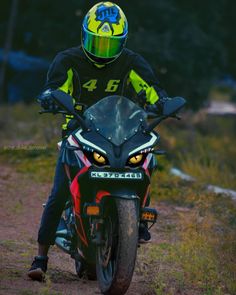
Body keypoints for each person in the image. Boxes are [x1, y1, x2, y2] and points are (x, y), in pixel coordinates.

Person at [28, 1, 168, 281]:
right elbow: (56, 88)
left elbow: (150, 89)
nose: (103, 50)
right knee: (60, 192)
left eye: (110, 44)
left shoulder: (131, 62)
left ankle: (136, 221)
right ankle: (40, 257)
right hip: (78, 133)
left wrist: (161, 102)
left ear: (122, 41)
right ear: (84, 36)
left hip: (121, 131)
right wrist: (50, 97)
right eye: (97, 42)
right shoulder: (68, 60)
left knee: (147, 161)